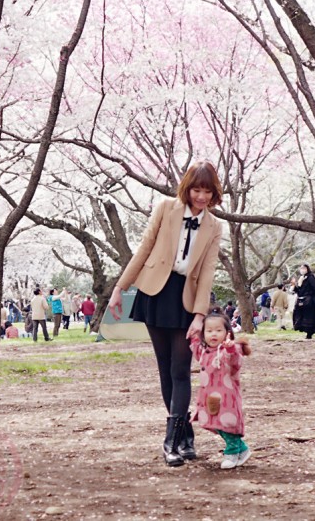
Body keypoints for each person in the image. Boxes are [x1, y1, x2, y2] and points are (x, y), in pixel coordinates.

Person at [108, 160, 223, 467]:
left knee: (181, 368)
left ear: (214, 193)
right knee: (164, 368)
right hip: (154, 291)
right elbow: (144, 248)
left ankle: (171, 440)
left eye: (207, 191)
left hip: (186, 298)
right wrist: (121, 287)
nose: (201, 197)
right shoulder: (165, 208)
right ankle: (184, 437)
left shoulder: (214, 226)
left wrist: (200, 315)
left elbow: (208, 271)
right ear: (187, 188)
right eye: (196, 190)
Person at [190, 307, 251, 469]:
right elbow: (196, 352)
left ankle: (232, 453)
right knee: (215, 423)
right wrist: (194, 338)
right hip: (209, 396)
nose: (213, 334)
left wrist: (230, 348)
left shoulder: (231, 350)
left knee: (227, 424)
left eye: (218, 330)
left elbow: (234, 363)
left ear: (227, 332)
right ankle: (242, 449)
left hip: (227, 397)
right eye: (209, 331)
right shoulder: (205, 351)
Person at [291, 264, 315, 339]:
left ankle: (309, 333)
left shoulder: (311, 277)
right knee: (299, 315)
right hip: (301, 299)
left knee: (309, 317)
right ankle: (301, 328)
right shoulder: (301, 278)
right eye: (301, 268)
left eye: (304, 268)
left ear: (307, 269)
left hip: (309, 301)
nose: (302, 270)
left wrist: (310, 296)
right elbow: (298, 290)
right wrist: (294, 285)